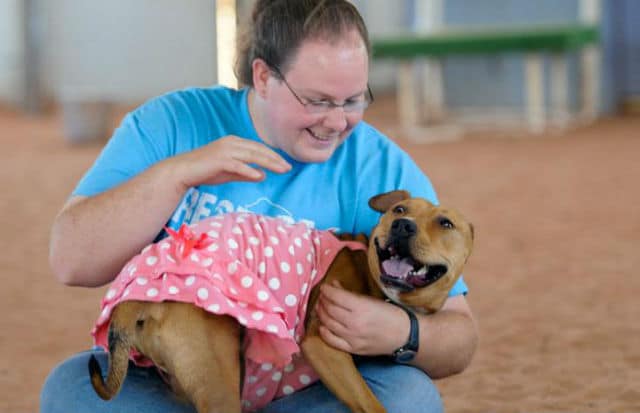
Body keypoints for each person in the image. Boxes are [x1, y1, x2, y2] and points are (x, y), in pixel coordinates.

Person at [41, 1, 478, 412]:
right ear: (264, 76)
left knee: (409, 396)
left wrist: (403, 332)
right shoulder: (172, 122)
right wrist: (176, 174)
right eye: (317, 100)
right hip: (173, 380)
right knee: (72, 389)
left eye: (353, 100)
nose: (336, 121)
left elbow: (459, 335)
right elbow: (71, 261)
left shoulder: (379, 167)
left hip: (302, 391)